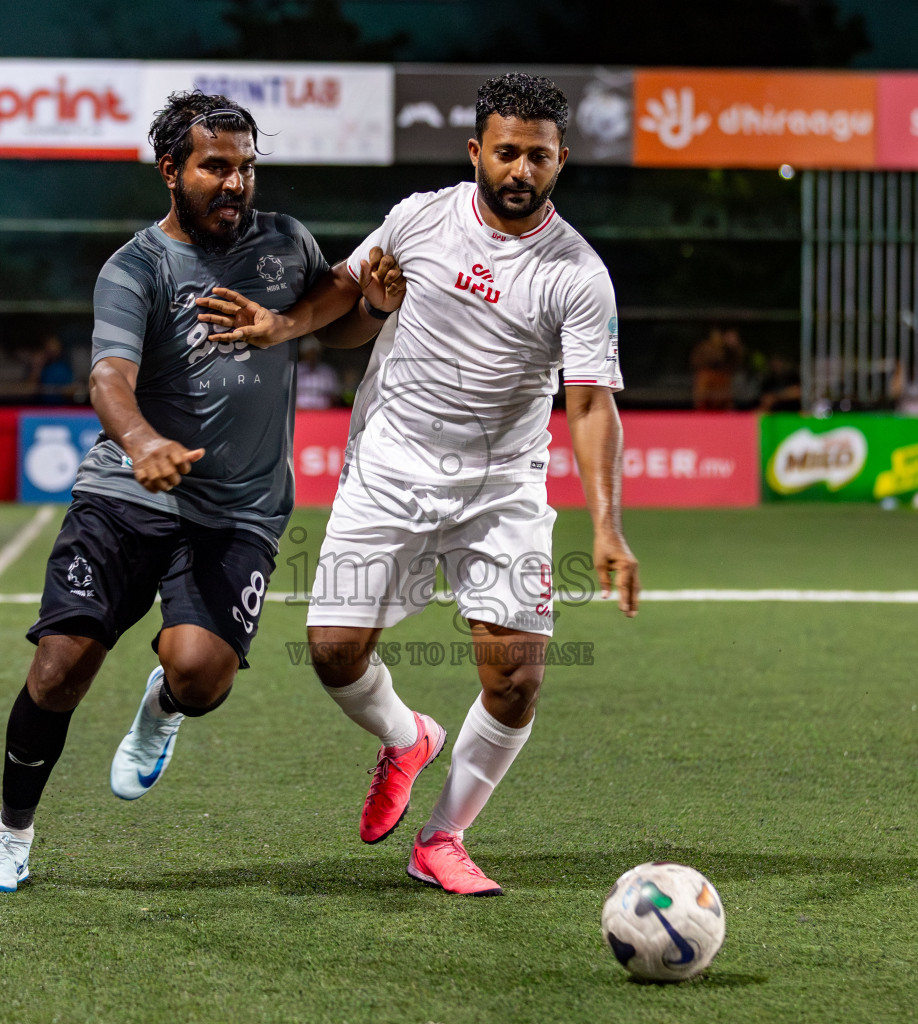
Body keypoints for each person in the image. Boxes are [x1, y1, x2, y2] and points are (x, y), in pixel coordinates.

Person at [196, 74, 641, 896]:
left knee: (515, 678)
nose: (521, 169)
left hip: (501, 488)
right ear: (478, 151)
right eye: (506, 151)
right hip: (391, 465)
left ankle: (443, 838)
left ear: (561, 161)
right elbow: (348, 285)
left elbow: (589, 403)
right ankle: (406, 737)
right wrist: (281, 325)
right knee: (333, 653)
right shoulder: (420, 216)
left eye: (538, 156)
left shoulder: (578, 273)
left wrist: (607, 526)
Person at [0, 91, 406, 893]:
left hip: (239, 512)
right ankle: (9, 836)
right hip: (128, 495)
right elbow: (108, 376)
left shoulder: (284, 243)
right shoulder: (135, 268)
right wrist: (142, 442)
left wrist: (369, 306)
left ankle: (162, 705)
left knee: (199, 676)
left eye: (246, 168)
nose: (235, 184)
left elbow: (327, 318)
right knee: (61, 667)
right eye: (216, 167)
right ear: (171, 170)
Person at [294, 337, 343, 410]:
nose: (312, 356)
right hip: (300, 412)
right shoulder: (296, 370)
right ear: (304, 354)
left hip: (324, 413)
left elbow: (335, 395)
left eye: (314, 353)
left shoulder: (328, 371)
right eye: (310, 353)